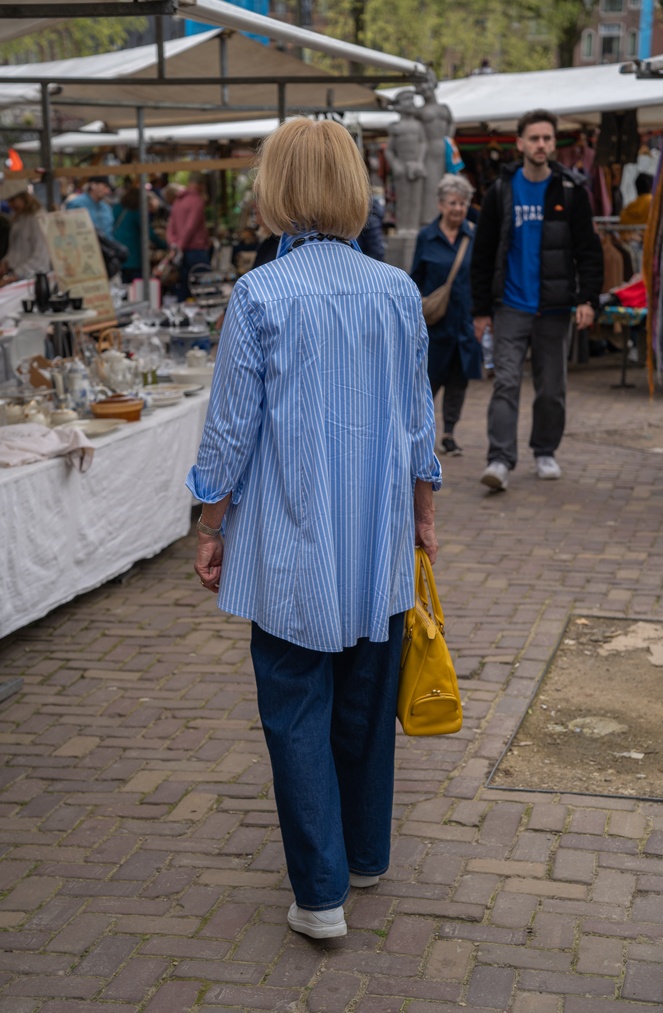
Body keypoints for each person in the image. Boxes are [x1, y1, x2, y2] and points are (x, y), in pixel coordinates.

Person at [187, 117, 440, 941]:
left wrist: (210, 522)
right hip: (376, 535)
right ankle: (363, 854)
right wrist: (423, 514)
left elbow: (230, 430)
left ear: (277, 188)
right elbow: (417, 423)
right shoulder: (395, 291)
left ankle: (321, 892)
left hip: (292, 538)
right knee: (364, 700)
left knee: (296, 704)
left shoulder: (260, 294)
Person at [471, 108, 603, 491]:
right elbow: (483, 254)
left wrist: (587, 299)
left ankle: (545, 451)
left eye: (547, 138)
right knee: (505, 383)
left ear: (554, 143)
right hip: (510, 306)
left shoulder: (571, 191)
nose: (541, 144)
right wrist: (480, 310)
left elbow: (589, 251)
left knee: (551, 389)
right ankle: (499, 460)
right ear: (520, 143)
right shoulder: (501, 191)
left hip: (555, 308)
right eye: (534, 138)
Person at [411, 174, 482, 455]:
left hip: (465, 324)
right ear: (441, 205)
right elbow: (415, 278)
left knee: (458, 381)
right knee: (428, 382)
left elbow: (482, 278)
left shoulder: (473, 235)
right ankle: (423, 434)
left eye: (463, 203)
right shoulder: (426, 237)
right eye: (453, 203)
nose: (458, 208)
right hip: (435, 325)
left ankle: (449, 433)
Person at [166, 172, 211, 301]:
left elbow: (170, 227)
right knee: (204, 288)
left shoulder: (178, 201)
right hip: (196, 250)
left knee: (183, 289)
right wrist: (180, 246)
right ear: (201, 185)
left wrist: (174, 246)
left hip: (181, 252)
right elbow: (190, 227)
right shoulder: (196, 201)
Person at [385, 90, 427, 232]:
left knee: (416, 200)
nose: (411, 103)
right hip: (402, 166)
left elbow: (423, 143)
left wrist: (420, 161)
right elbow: (389, 150)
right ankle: (402, 226)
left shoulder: (418, 125)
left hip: (416, 166)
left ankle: (413, 227)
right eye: (407, 99)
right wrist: (395, 164)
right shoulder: (396, 127)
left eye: (411, 99)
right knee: (403, 199)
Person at [416, 76, 455, 225]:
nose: (424, 88)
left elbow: (451, 123)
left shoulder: (444, 108)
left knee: (449, 183)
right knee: (432, 185)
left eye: (426, 83)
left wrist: (448, 138)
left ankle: (447, 216)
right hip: (430, 148)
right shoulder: (420, 111)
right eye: (420, 86)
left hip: (445, 146)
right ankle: (431, 218)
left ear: (433, 84)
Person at [112, 185, 167, 285]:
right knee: (137, 288)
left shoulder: (116, 208)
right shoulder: (137, 211)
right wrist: (164, 245)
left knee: (122, 287)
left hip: (118, 255)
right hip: (134, 258)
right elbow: (149, 233)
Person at [0, 180, 51, 285]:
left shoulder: (38, 218)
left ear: (24, 197)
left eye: (13, 200)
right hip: (18, 276)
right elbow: (15, 250)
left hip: (32, 280)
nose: (10, 205)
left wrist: (16, 274)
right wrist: (6, 262)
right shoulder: (19, 218)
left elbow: (41, 258)